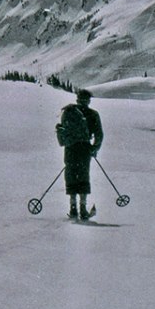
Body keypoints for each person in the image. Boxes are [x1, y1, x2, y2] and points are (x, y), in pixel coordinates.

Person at [57, 88, 104, 220]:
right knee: (83, 175)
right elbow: (99, 134)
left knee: (71, 174)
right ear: (88, 101)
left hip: (70, 148)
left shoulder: (68, 111)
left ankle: (73, 209)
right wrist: (94, 148)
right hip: (85, 148)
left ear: (77, 99)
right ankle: (83, 209)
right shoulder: (93, 114)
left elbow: (63, 130)